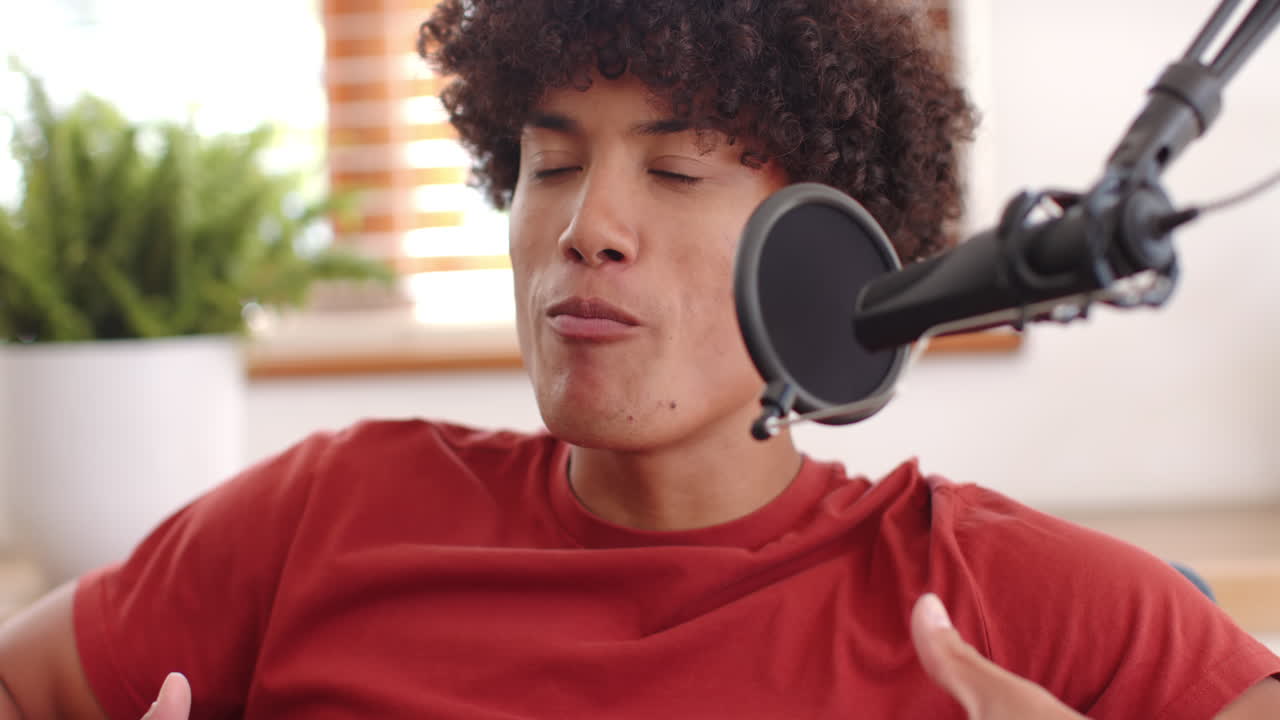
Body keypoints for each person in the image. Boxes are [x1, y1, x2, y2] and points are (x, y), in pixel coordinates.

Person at [2, 1, 1278, 718]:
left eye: (674, 171)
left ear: (825, 248)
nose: (585, 227)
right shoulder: (321, 517)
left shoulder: (1007, 602)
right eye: (550, 164)